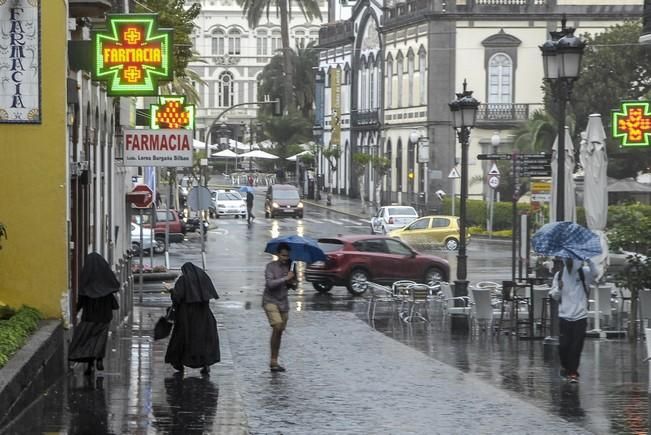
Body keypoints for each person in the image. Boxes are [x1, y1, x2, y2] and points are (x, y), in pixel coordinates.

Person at [69, 252, 120, 376]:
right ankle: (99, 359)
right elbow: (113, 297)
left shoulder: (86, 280)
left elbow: (81, 298)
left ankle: (90, 364)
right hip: (104, 316)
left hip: (89, 316)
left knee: (88, 338)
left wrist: (75, 310)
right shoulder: (106, 280)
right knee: (100, 339)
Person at [165, 262, 220, 375]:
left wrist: (170, 290)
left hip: (186, 316)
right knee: (204, 341)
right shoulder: (203, 279)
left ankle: (179, 362)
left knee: (182, 339)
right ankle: (205, 363)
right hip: (204, 316)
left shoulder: (183, 280)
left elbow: (177, 297)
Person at [549, 257, 597, 383]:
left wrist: (589, 260)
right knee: (563, 346)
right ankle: (565, 367)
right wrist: (559, 288)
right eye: (567, 259)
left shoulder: (584, 272)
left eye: (572, 259)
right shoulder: (559, 275)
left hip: (580, 316)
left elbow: (596, 275)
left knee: (576, 346)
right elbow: (554, 295)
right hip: (564, 315)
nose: (569, 262)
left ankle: (573, 372)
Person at [263, 243, 297, 372]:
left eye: (287, 256)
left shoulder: (292, 267)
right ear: (277, 255)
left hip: (283, 303)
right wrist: (285, 278)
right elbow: (270, 284)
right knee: (277, 325)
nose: (285, 258)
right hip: (270, 301)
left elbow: (294, 286)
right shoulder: (270, 267)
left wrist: (293, 281)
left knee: (279, 331)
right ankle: (273, 360)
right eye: (283, 255)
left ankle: (274, 360)